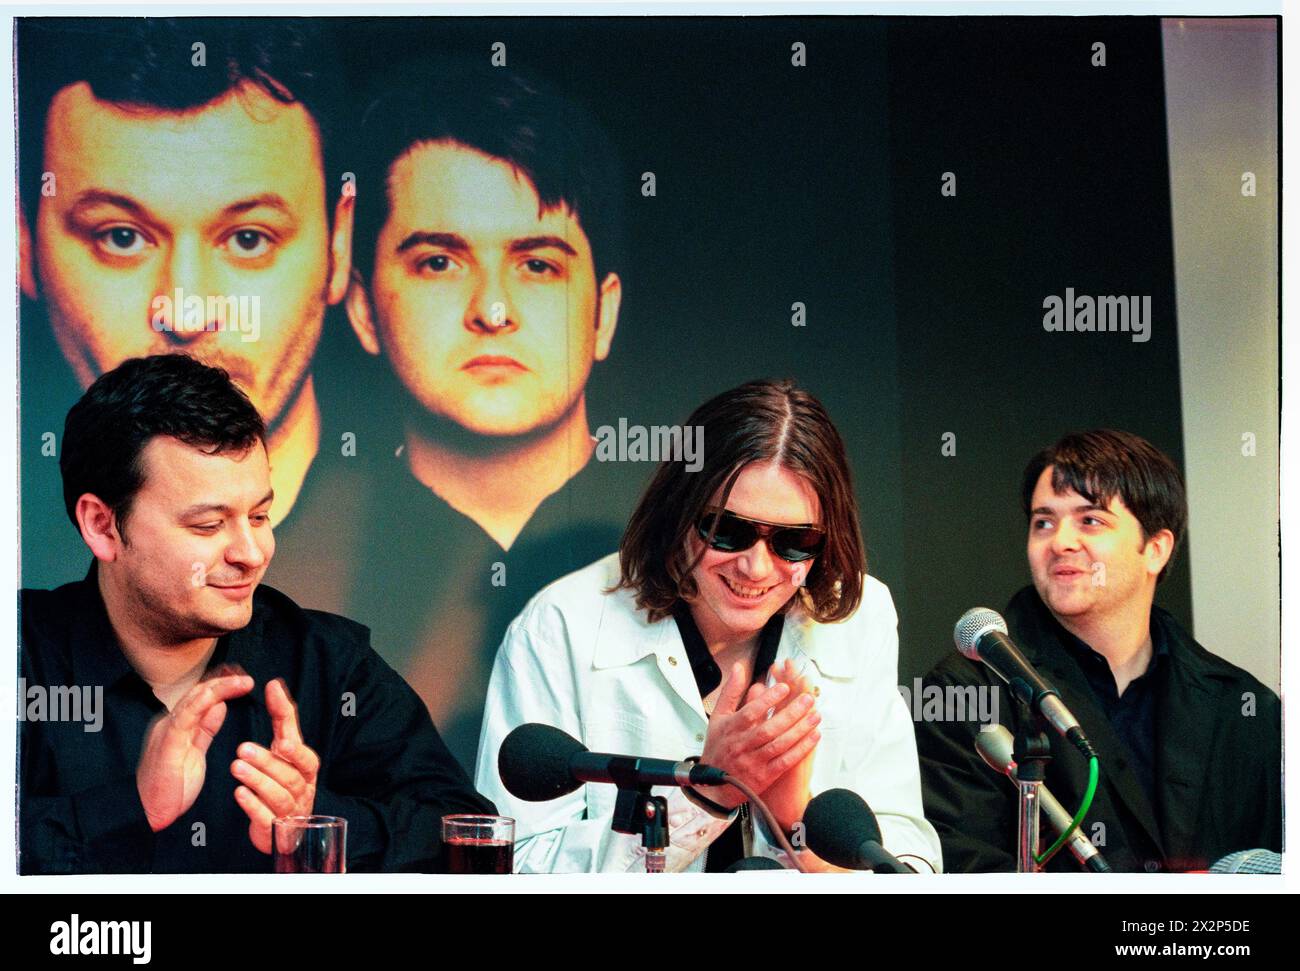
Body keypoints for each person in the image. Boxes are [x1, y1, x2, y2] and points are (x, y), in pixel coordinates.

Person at [269, 60, 631, 767]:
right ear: (365, 308)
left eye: (538, 265)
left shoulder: (699, 553)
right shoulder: (278, 575)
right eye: (439, 262)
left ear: (604, 313)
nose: (492, 311)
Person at [19, 354, 494, 874]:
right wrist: (131, 809)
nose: (251, 552)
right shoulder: (21, 658)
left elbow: (468, 839)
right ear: (103, 526)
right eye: (207, 525)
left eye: (260, 516)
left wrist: (314, 822)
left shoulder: (328, 665)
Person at [475, 380, 942, 872]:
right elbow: (514, 864)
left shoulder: (861, 615)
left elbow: (908, 859)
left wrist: (793, 822)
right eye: (728, 530)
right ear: (679, 513)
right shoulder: (560, 626)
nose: (756, 569)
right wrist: (704, 798)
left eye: (795, 540)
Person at [17, 18, 354, 591]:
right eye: (120, 237)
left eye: (249, 238)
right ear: (23, 244)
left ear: (339, 246)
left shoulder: (441, 568)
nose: (186, 314)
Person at [915, 429, 1282, 872]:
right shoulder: (969, 691)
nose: (1061, 542)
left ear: (1156, 550)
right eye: (1043, 522)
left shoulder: (1244, 709)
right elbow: (963, 866)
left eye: (1090, 520)